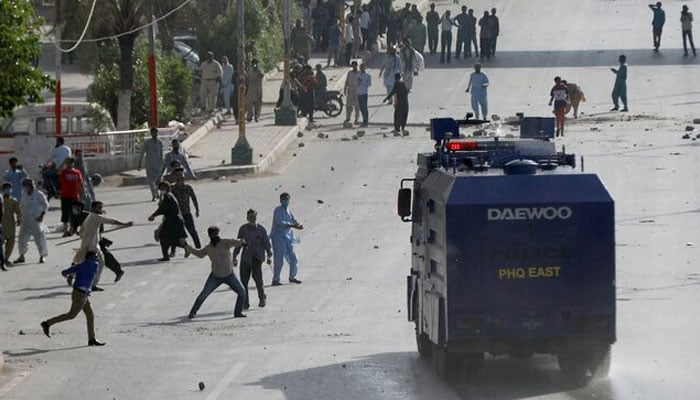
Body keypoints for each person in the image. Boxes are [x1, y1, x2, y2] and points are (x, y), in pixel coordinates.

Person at [40, 251, 106, 346]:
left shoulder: (82, 265)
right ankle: (47, 323)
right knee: (72, 315)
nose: (96, 258)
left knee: (90, 315)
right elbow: (88, 268)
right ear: (89, 258)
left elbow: (65, 272)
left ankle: (91, 339)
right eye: (94, 257)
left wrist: (70, 273)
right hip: (81, 294)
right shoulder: (94, 265)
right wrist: (73, 273)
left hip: (80, 293)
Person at [186, 226, 247, 319]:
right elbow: (200, 254)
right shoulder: (208, 248)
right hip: (215, 276)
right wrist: (189, 248)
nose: (215, 236)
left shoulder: (225, 242)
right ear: (210, 235)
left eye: (216, 234)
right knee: (204, 294)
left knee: (242, 292)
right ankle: (193, 312)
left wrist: (242, 242)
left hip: (229, 275)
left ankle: (238, 312)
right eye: (213, 234)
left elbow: (237, 242)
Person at [73, 201, 133, 290]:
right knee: (99, 263)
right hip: (92, 246)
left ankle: (77, 276)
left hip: (89, 244)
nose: (101, 210)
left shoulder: (89, 217)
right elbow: (112, 221)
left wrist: (87, 235)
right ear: (93, 208)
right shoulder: (95, 217)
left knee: (85, 262)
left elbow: (81, 231)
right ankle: (90, 284)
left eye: (101, 208)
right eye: (99, 208)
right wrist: (125, 224)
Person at [233, 209, 272, 309]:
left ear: (256, 217)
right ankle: (245, 303)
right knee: (243, 282)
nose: (252, 219)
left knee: (258, 280)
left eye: (254, 217)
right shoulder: (243, 229)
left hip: (257, 258)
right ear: (247, 218)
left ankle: (262, 298)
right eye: (250, 217)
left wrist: (269, 255)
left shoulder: (261, 229)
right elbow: (238, 243)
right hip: (246, 258)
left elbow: (266, 243)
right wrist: (235, 256)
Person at [148, 181, 189, 262]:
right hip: (174, 220)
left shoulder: (168, 197)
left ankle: (167, 256)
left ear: (167, 188)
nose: (161, 190)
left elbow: (162, 209)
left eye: (163, 188)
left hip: (172, 221)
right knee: (169, 238)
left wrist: (153, 215)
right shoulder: (169, 196)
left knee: (164, 237)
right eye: (160, 188)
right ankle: (186, 248)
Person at [270, 192, 304, 285]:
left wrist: (298, 225)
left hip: (287, 237)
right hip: (277, 236)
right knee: (279, 259)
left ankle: (292, 277)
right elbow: (281, 222)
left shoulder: (289, 211)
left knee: (293, 258)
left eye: (287, 199)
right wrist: (293, 225)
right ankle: (276, 279)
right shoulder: (277, 210)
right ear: (281, 200)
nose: (286, 201)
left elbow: (294, 220)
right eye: (284, 199)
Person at [14, 179, 48, 264]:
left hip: (35, 220)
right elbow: (21, 206)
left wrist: (41, 216)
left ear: (31, 185)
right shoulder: (24, 194)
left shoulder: (39, 194)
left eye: (27, 185)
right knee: (22, 239)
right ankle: (22, 256)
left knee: (40, 239)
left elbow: (45, 205)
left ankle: (42, 256)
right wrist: (19, 218)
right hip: (25, 220)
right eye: (25, 186)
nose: (26, 188)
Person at [171, 168, 201, 249]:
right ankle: (175, 250)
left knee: (192, 231)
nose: (180, 177)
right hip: (177, 215)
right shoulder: (172, 189)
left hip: (187, 213)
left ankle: (198, 248)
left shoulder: (188, 188)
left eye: (181, 175)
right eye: (178, 176)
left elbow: (194, 198)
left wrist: (197, 210)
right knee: (176, 233)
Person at [58, 157, 83, 236]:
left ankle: (74, 229)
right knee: (65, 214)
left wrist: (82, 193)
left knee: (75, 214)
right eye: (68, 162)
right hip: (65, 195)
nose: (70, 164)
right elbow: (58, 172)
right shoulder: (64, 171)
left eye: (71, 162)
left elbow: (80, 184)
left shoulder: (77, 172)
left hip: (74, 196)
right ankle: (65, 231)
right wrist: (63, 164)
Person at [137, 127, 164, 201]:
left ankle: (159, 194)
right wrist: (139, 163)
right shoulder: (147, 143)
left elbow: (161, 154)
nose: (154, 134)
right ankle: (154, 195)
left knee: (159, 180)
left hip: (158, 164)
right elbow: (142, 153)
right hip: (149, 164)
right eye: (153, 132)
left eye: (156, 132)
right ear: (151, 133)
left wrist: (162, 164)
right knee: (151, 181)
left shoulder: (160, 142)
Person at [2, 182, 21, 266]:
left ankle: (6, 259)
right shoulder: (0, 200)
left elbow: (18, 211)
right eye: (7, 188)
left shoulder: (13, 200)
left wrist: (19, 219)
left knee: (10, 243)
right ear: (3, 189)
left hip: (10, 224)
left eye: (10, 188)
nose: (8, 190)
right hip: (1, 224)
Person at [344, 61, 361, 125]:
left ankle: (356, 118)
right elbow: (347, 81)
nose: (354, 67)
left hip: (357, 91)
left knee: (357, 105)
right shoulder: (349, 73)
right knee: (349, 105)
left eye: (355, 66)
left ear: (356, 66)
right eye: (352, 66)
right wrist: (345, 88)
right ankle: (348, 117)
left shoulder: (359, 73)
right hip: (350, 90)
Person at [357, 63, 372, 127]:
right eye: (361, 67)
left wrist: (363, 81)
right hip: (358, 93)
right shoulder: (358, 75)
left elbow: (369, 84)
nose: (362, 69)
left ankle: (366, 122)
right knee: (361, 108)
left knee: (364, 108)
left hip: (364, 93)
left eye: (363, 67)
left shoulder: (368, 76)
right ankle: (364, 121)